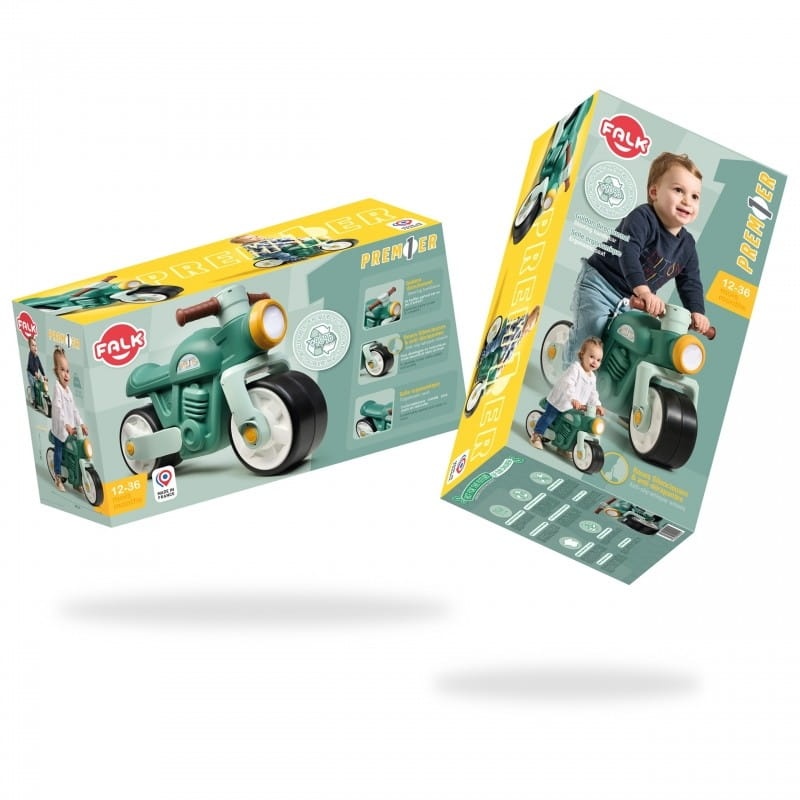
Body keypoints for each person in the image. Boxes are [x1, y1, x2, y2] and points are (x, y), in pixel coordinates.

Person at [565, 152, 712, 365]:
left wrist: (697, 312)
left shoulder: (687, 246)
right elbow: (628, 254)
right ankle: (568, 375)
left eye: (695, 196)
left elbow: (691, 282)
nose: (687, 201)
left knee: (634, 343)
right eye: (678, 190)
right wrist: (644, 291)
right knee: (591, 336)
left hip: (634, 303)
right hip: (601, 285)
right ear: (654, 192)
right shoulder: (642, 218)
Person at [531, 336, 604, 450]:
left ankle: (564, 447)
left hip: (575, 408)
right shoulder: (576, 368)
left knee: (574, 425)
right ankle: (537, 434)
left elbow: (593, 393)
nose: (595, 361)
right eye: (591, 357)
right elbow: (568, 384)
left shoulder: (592, 377)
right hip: (561, 401)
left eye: (598, 360)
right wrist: (572, 398)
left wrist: (597, 405)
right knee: (550, 416)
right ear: (582, 354)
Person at [51, 347, 88, 491]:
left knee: (77, 451)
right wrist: (65, 424)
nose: (66, 374)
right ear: (56, 371)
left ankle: (77, 481)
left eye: (68, 371)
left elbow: (74, 410)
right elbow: (58, 409)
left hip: (71, 429)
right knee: (59, 450)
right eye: (62, 370)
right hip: (60, 430)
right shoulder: (57, 388)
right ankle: (58, 476)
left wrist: (82, 424)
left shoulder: (69, 391)